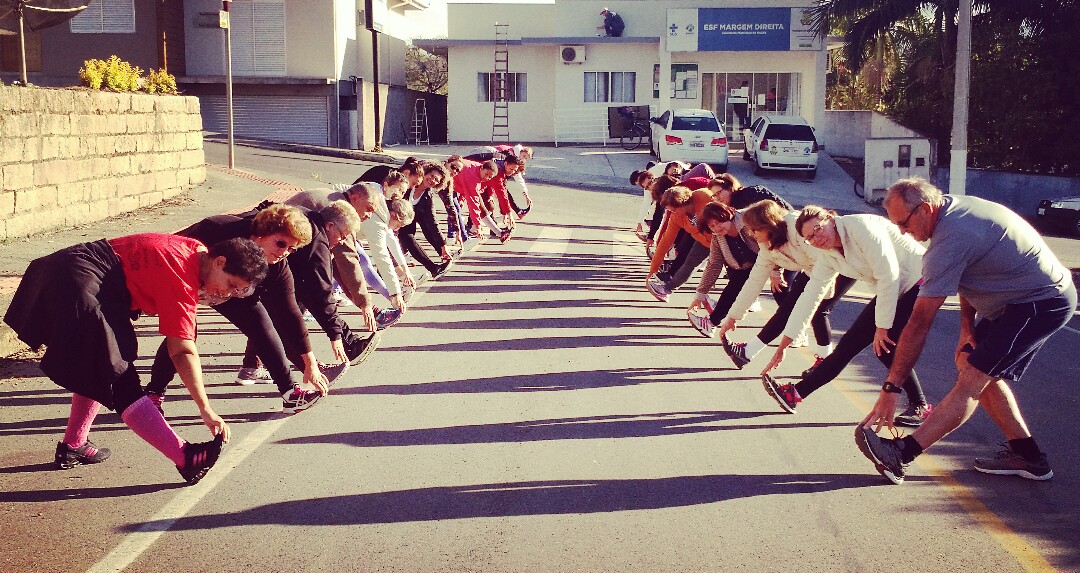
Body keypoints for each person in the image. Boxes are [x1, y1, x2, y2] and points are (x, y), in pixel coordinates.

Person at [855, 178, 1076, 485]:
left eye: (903, 223)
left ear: (925, 208)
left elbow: (918, 324)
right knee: (970, 365)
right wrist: (966, 329)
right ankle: (1028, 456)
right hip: (1015, 300)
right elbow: (966, 273)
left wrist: (891, 388)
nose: (902, 231)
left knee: (973, 378)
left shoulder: (952, 237)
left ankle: (901, 453)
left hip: (1041, 302)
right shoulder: (950, 214)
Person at [4, 234, 268, 484]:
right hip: (78, 282)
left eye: (237, 291)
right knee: (118, 374)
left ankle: (74, 445)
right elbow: (182, 351)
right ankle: (186, 458)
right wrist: (206, 409)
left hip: (71, 269)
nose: (227, 294)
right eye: (231, 285)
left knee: (101, 361)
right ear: (219, 261)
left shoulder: (197, 251)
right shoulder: (182, 278)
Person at [144, 205, 340, 415]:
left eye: (291, 249)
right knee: (184, 333)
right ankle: (153, 393)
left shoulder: (278, 266)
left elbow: (290, 312)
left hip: (228, 289)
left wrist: (309, 363)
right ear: (261, 233)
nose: (284, 253)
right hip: (183, 278)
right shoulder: (218, 229)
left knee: (260, 322)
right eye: (281, 243)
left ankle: (290, 392)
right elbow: (171, 247)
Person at [757, 206, 933, 430]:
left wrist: (882, 327)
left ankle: (920, 406)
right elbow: (811, 295)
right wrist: (785, 343)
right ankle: (795, 394)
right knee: (857, 347)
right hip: (896, 289)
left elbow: (889, 275)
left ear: (830, 218)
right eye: (809, 238)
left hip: (920, 281)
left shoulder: (861, 228)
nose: (816, 239)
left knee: (882, 345)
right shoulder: (828, 254)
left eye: (818, 230)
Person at [713, 200, 856, 372]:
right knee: (786, 308)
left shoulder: (796, 229)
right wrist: (733, 317)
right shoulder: (766, 244)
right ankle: (747, 352)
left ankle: (824, 361)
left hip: (841, 264)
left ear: (768, 224)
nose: (750, 234)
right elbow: (754, 282)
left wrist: (817, 297)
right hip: (813, 268)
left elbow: (824, 263)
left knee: (819, 310)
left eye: (755, 229)